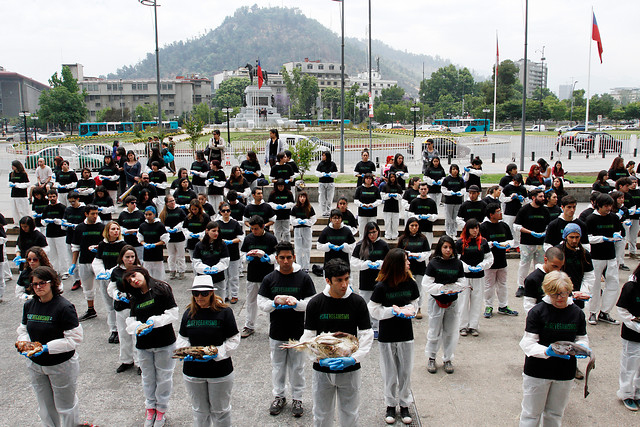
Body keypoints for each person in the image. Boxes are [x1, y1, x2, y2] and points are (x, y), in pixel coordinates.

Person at [299, 258, 374, 426]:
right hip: (322, 370)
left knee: (350, 412)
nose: (344, 284)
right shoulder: (316, 303)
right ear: (328, 280)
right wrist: (317, 358)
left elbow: (366, 335)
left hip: (350, 369)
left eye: (346, 279)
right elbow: (308, 336)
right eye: (339, 280)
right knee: (321, 413)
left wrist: (354, 358)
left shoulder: (357, 302)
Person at [518, 271, 589, 426]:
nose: (560, 298)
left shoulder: (577, 313)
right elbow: (528, 343)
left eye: (563, 293)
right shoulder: (537, 312)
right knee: (531, 414)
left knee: (555, 414)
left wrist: (583, 347)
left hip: (564, 372)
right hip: (538, 371)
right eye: (555, 294)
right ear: (548, 292)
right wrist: (546, 351)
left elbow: (581, 337)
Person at [16, 266, 84, 427]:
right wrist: (25, 343)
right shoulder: (29, 305)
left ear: (52, 283)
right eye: (34, 284)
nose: (38, 287)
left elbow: (74, 338)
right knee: (45, 406)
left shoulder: (64, 307)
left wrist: (46, 348)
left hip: (61, 364)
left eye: (42, 283)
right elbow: (23, 329)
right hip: (36, 364)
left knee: (66, 406)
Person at [257, 242, 317, 418]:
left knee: (297, 367)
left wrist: (296, 304)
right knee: (278, 366)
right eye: (282, 258)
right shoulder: (269, 278)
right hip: (277, 330)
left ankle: (297, 398)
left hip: (298, 331)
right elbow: (261, 302)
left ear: (294, 257)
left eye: (288, 257)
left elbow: (311, 302)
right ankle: (279, 396)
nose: (285, 261)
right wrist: (274, 303)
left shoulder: (303, 278)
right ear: (276, 259)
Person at [176, 275, 240, 426]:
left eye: (204, 293)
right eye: (195, 293)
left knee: (221, 411)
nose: (199, 297)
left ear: (212, 293)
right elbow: (182, 338)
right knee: (199, 411)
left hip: (219, 371)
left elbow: (234, 340)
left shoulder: (225, 312)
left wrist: (217, 352)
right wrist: (185, 351)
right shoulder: (188, 313)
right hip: (193, 372)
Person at [368, 248, 420, 425]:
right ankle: (390, 404)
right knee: (390, 373)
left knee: (405, 372)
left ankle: (405, 404)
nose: (409, 263)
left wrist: (409, 310)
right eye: (405, 260)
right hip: (388, 335)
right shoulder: (382, 286)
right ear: (397, 264)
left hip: (405, 333)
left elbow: (415, 302)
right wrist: (392, 311)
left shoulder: (410, 283)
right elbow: (373, 309)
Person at [124, 266, 178, 427]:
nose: (134, 280)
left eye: (134, 275)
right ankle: (150, 408)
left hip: (164, 342)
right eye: (130, 280)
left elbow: (173, 313)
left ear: (142, 272)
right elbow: (131, 319)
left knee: (164, 378)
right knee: (147, 378)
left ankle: (161, 410)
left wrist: (154, 322)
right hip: (144, 345)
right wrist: (136, 327)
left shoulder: (162, 289)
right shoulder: (134, 297)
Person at [423, 235, 466, 374]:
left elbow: (462, 282)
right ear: (440, 248)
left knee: (450, 331)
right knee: (434, 330)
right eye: (445, 247)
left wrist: (453, 287)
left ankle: (448, 358)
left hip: (452, 301)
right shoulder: (433, 263)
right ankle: (431, 357)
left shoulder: (458, 264)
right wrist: (441, 288)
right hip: (436, 301)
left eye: (450, 247)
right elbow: (427, 284)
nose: (448, 250)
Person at [586, 193, 623, 325]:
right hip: (596, 257)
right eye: (606, 206)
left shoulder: (613, 218)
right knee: (595, 286)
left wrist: (616, 236)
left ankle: (605, 312)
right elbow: (588, 238)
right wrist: (602, 238)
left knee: (613, 284)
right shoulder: (591, 219)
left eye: (610, 206)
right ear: (599, 206)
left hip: (611, 256)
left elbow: (618, 232)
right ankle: (592, 312)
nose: (608, 209)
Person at [239, 215, 278, 338]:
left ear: (262, 227)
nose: (253, 231)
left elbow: (276, 255)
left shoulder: (271, 239)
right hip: (252, 274)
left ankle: (273, 327)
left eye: (256, 229)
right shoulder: (249, 238)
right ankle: (249, 326)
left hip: (268, 275)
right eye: (251, 229)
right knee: (251, 301)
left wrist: (268, 259)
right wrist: (247, 258)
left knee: (269, 302)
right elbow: (243, 254)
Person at [351, 221, 390, 337]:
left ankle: (377, 327)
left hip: (380, 280)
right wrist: (365, 264)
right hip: (365, 280)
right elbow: (353, 262)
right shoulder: (360, 245)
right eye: (370, 233)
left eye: (374, 232)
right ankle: (367, 327)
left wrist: (379, 264)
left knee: (378, 303)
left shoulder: (383, 245)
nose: (372, 235)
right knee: (366, 304)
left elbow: (389, 262)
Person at [106, 245, 141, 373]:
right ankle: (126, 360)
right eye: (127, 257)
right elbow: (111, 288)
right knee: (123, 334)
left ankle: (139, 363)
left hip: (136, 308)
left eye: (132, 257)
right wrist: (118, 295)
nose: (130, 259)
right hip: (121, 307)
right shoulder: (116, 272)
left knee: (136, 335)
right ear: (122, 258)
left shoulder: (139, 270)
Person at [480, 204, 518, 318]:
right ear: (491, 215)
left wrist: (507, 244)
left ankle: (503, 306)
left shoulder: (504, 225)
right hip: (490, 261)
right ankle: (488, 305)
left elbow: (511, 240)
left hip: (502, 260)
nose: (500, 213)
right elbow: (481, 243)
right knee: (489, 285)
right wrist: (492, 244)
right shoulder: (484, 227)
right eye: (498, 211)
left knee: (502, 284)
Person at [456, 219, 493, 337]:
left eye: (477, 228)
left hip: (478, 276)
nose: (475, 231)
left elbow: (489, 258)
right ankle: (462, 326)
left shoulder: (483, 242)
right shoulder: (460, 242)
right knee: (463, 301)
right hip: (465, 277)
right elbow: (457, 260)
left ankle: (473, 326)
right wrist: (467, 267)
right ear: (467, 229)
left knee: (477, 301)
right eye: (473, 228)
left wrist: (481, 266)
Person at [92, 221, 126, 344]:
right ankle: (113, 329)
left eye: (117, 229)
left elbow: (123, 262)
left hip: (117, 279)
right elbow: (98, 260)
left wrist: (111, 272)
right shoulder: (102, 244)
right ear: (108, 231)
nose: (116, 231)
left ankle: (121, 330)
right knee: (109, 306)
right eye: (113, 229)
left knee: (117, 303)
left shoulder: (122, 245)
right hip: (104, 279)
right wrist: (101, 272)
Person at [70, 205, 105, 322]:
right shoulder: (80, 228)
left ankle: (111, 310)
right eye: (92, 214)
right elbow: (75, 247)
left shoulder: (102, 227)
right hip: (84, 261)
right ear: (86, 214)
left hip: (99, 262)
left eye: (96, 213)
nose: (95, 216)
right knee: (87, 288)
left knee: (104, 287)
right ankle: (91, 310)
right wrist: (73, 263)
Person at [514, 189, 550, 298]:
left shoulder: (545, 211)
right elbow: (516, 226)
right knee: (524, 264)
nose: (543, 199)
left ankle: (538, 286)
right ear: (533, 198)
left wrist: (544, 233)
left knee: (539, 265)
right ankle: (521, 286)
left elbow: (549, 226)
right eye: (540, 196)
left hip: (540, 243)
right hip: (526, 242)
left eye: (543, 196)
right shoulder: (524, 210)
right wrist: (530, 232)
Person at [615, 264, 640, 411]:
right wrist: (637, 327)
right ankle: (627, 394)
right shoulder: (631, 286)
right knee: (629, 365)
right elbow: (622, 310)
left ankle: (638, 392)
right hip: (632, 334)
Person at [397, 217, 430, 320]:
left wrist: (419, 256)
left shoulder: (423, 238)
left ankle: (418, 308)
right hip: (407, 267)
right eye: (412, 225)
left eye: (416, 225)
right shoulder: (403, 238)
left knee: (419, 288)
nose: (414, 228)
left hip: (419, 267)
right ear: (408, 226)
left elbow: (427, 252)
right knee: (406, 287)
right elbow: (398, 252)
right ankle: (406, 306)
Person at [192, 221, 230, 298]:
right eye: (213, 231)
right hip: (203, 278)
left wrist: (217, 268)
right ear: (207, 231)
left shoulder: (222, 244)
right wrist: (204, 268)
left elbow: (225, 260)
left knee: (219, 300)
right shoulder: (199, 245)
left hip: (218, 277)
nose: (216, 233)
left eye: (217, 231)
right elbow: (196, 261)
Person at [523, 247, 565, 315]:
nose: (558, 270)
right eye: (555, 266)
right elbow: (529, 305)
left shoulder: (561, 275)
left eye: (561, 267)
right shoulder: (532, 279)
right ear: (545, 260)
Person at [216, 202, 244, 304]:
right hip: (221, 253)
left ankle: (235, 295)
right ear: (220, 212)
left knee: (233, 276)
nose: (226, 212)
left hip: (233, 253)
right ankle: (226, 295)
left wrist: (231, 241)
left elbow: (240, 237)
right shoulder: (217, 223)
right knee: (224, 276)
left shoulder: (235, 223)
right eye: (224, 211)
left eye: (228, 211)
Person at [42, 189, 70, 280]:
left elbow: (65, 220)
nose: (52, 198)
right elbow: (42, 220)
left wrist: (57, 221)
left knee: (62, 253)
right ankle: (55, 270)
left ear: (57, 196)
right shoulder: (46, 208)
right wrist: (45, 222)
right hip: (50, 234)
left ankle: (64, 271)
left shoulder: (62, 207)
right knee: (52, 254)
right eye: (50, 197)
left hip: (60, 234)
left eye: (53, 196)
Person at [159, 195, 187, 280]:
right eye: (170, 201)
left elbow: (184, 221)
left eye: (173, 200)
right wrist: (167, 228)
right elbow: (161, 223)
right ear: (167, 203)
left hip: (179, 237)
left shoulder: (179, 210)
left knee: (180, 255)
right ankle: (172, 270)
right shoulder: (164, 212)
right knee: (171, 255)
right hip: (169, 238)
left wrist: (177, 228)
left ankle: (181, 271)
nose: (173, 202)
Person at [290, 191, 316, 272]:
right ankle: (299, 266)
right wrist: (298, 222)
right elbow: (292, 220)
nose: (302, 199)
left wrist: (306, 222)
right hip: (297, 229)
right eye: (300, 197)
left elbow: (313, 219)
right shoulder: (295, 208)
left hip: (307, 229)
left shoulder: (309, 208)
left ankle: (306, 266)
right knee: (298, 249)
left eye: (304, 197)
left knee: (307, 248)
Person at [354, 172, 382, 238]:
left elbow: (379, 200)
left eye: (370, 178)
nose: (368, 180)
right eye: (367, 178)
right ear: (364, 179)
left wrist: (373, 205)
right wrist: (361, 205)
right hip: (362, 213)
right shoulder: (359, 189)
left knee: (372, 228)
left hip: (372, 213)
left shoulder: (375, 189)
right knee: (362, 229)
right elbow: (355, 200)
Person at [183, 200, 211, 265]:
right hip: (191, 242)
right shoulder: (188, 217)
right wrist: (188, 233)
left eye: (195, 209)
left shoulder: (205, 217)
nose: (194, 211)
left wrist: (200, 235)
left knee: (203, 260)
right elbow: (184, 228)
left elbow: (209, 228)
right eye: (192, 209)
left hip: (202, 241)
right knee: (193, 260)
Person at [441, 164, 466, 238]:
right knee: (449, 218)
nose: (455, 171)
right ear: (450, 170)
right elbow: (443, 189)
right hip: (449, 201)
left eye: (456, 169)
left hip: (458, 201)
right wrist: (450, 193)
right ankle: (448, 232)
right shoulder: (447, 179)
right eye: (453, 169)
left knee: (455, 218)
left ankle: (454, 233)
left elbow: (463, 189)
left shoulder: (460, 179)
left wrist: (460, 193)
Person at [118, 196, 146, 260]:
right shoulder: (122, 214)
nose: (134, 204)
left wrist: (136, 230)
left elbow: (144, 225)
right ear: (127, 204)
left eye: (135, 203)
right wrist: (124, 231)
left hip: (138, 242)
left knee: (139, 259)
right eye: (132, 203)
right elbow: (119, 226)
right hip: (127, 241)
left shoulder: (140, 213)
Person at [611, 189, 631, 271]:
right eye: (619, 198)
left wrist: (627, 222)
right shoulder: (611, 209)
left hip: (621, 233)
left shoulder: (624, 209)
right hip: (612, 234)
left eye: (622, 198)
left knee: (618, 255)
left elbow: (627, 218)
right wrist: (618, 215)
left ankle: (616, 270)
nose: (621, 200)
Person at [381, 172, 403, 240]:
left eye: (394, 177)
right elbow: (382, 196)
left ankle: (394, 234)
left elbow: (401, 196)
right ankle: (388, 234)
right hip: (387, 207)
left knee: (395, 222)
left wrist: (396, 195)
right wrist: (388, 195)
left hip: (395, 207)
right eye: (391, 177)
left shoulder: (398, 186)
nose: (392, 178)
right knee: (387, 222)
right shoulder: (385, 186)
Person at [315, 150, 339, 217]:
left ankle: (328, 211)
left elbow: (336, 173)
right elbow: (317, 173)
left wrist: (330, 174)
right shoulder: (320, 164)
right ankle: (323, 211)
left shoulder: (332, 164)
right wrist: (322, 174)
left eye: (324, 155)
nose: (322, 157)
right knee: (322, 198)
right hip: (322, 183)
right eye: (322, 155)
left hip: (330, 183)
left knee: (329, 197)